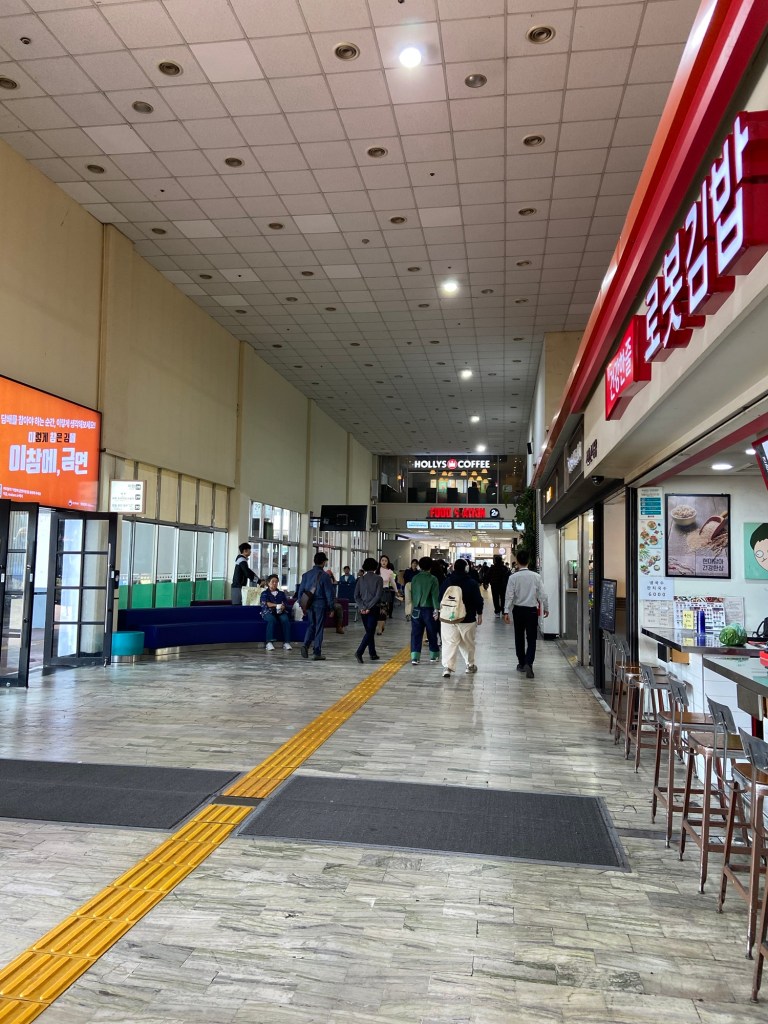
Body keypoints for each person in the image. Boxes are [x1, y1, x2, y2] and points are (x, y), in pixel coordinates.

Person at [503, 549, 549, 678]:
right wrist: (546, 607)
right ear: (528, 561)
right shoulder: (536, 576)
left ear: (517, 561)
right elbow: (542, 594)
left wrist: (506, 611)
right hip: (531, 611)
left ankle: (521, 663)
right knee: (532, 638)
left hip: (518, 610)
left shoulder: (513, 577)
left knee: (519, 637)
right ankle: (529, 662)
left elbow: (509, 596)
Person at [439, 558, 483, 677]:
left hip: (449, 619)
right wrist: (479, 613)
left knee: (449, 643)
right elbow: (478, 600)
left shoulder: (447, 581)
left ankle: (448, 668)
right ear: (467, 568)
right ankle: (470, 666)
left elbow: (439, 598)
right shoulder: (472, 583)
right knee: (468, 643)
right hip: (467, 618)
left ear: (453, 568)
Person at [297, 552, 335, 660]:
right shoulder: (325, 576)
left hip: (309, 604)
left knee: (311, 625)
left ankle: (305, 645)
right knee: (319, 628)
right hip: (320, 604)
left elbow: (300, 592)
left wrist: (302, 605)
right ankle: (316, 652)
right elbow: (329, 593)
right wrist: (331, 607)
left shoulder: (306, 575)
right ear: (323, 562)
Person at [410, 555, 440, 665]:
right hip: (429, 609)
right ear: (430, 567)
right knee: (431, 632)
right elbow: (434, 596)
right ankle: (433, 655)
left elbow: (413, 593)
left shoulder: (415, 578)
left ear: (420, 566)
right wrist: (436, 609)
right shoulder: (433, 579)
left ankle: (415, 657)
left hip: (416, 609)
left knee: (416, 633)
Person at [354, 557, 383, 663]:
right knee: (370, 631)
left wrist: (362, 607)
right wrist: (369, 607)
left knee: (369, 631)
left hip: (363, 610)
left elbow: (356, 596)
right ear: (375, 567)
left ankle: (372, 653)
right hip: (373, 608)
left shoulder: (360, 579)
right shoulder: (379, 579)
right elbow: (377, 596)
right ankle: (359, 652)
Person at [259, 575, 292, 651]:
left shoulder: (281, 593)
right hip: (268, 612)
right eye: (273, 582)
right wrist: (276, 605)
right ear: (268, 583)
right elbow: (266, 603)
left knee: (285, 619)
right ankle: (269, 642)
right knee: (271, 619)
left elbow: (286, 603)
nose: (275, 583)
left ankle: (286, 642)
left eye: (276, 582)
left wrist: (283, 606)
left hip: (280, 612)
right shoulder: (264, 593)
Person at [376, 554, 397, 634]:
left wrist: (396, 591)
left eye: (385, 561)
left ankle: (379, 629)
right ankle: (381, 625)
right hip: (376, 592)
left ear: (388, 562)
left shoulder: (390, 572)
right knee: (377, 611)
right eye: (382, 560)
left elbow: (393, 582)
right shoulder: (376, 571)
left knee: (383, 610)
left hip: (385, 591)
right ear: (380, 562)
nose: (384, 562)